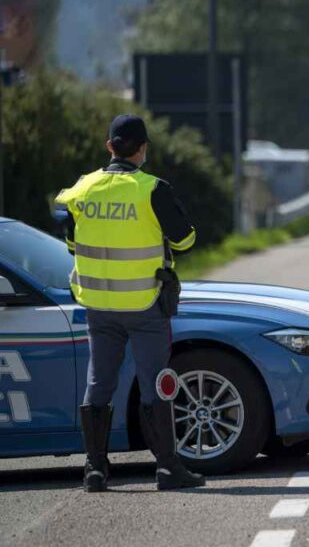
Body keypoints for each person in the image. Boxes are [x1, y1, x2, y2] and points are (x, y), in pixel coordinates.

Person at [54, 114, 205, 492]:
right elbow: (185, 241)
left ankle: (94, 470)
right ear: (143, 148)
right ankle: (168, 468)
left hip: (98, 306)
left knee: (99, 382)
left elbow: (73, 245)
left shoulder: (83, 189)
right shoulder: (152, 189)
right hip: (143, 304)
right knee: (157, 383)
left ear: (109, 147)